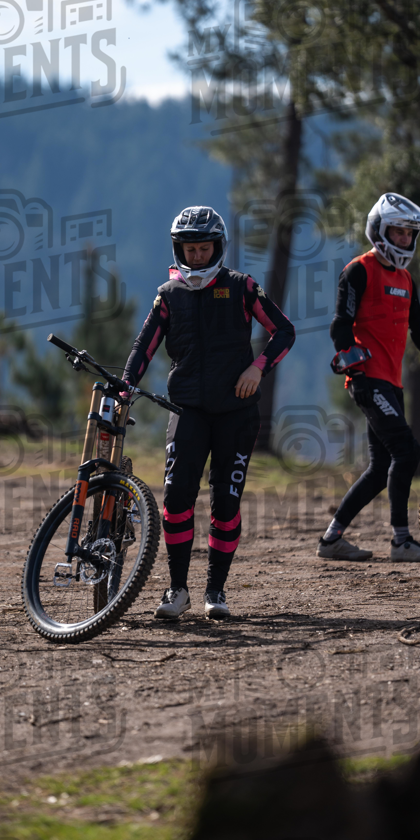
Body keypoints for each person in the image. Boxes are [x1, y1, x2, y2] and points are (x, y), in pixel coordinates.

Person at [123, 206, 295, 619]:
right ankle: (176, 590)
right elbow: (142, 349)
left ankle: (215, 593)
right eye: (189, 249)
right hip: (188, 411)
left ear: (218, 247)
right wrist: (125, 385)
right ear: (178, 250)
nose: (197, 256)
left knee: (226, 505)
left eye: (204, 248)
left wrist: (258, 368)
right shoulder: (168, 295)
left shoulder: (242, 287)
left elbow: (284, 331)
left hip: (237, 415)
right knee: (178, 497)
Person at [318, 192, 420, 563]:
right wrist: (353, 365)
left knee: (381, 468)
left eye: (409, 235)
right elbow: (339, 325)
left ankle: (331, 540)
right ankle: (400, 540)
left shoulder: (406, 280)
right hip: (368, 380)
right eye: (397, 232)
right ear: (379, 231)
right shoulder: (359, 270)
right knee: (408, 450)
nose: (404, 240)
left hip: (391, 384)